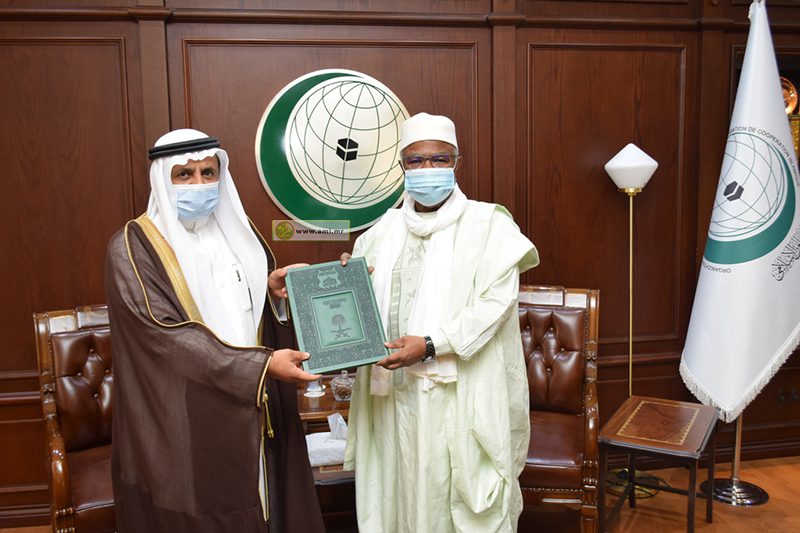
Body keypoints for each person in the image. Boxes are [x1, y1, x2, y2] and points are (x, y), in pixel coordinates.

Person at [105, 128, 325, 532]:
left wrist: (273, 294)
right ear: (162, 178)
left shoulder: (240, 235)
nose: (199, 184)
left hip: (254, 402)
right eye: (184, 174)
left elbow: (247, 317)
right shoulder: (133, 247)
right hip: (187, 414)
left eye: (208, 173)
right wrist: (260, 367)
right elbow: (164, 337)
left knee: (267, 504)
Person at [341, 112, 539, 532]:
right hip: (393, 395)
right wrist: (346, 281)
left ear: (456, 162)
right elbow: (358, 308)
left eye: (439, 159)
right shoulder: (380, 232)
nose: (427, 169)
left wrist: (431, 344)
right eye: (416, 161)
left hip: (459, 394)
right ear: (402, 166)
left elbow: (494, 305)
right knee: (399, 497)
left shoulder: (490, 225)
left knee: (452, 501)